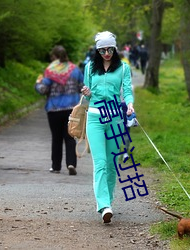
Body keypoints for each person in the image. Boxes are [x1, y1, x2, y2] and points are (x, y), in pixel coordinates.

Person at [81, 31, 134, 223]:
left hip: (115, 119)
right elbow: (87, 97)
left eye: (110, 49)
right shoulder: (89, 68)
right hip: (94, 118)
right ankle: (103, 205)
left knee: (112, 164)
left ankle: (109, 201)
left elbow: (127, 90)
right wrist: (86, 92)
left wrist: (129, 104)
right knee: (101, 163)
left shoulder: (123, 68)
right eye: (102, 50)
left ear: (115, 48)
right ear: (97, 50)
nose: (106, 53)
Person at [35, 45, 84, 175]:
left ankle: (56, 166)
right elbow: (82, 87)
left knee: (56, 138)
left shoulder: (50, 71)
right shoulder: (75, 70)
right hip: (71, 109)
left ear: (54, 57)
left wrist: (38, 83)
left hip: (54, 109)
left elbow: (43, 90)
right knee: (70, 137)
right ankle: (71, 163)